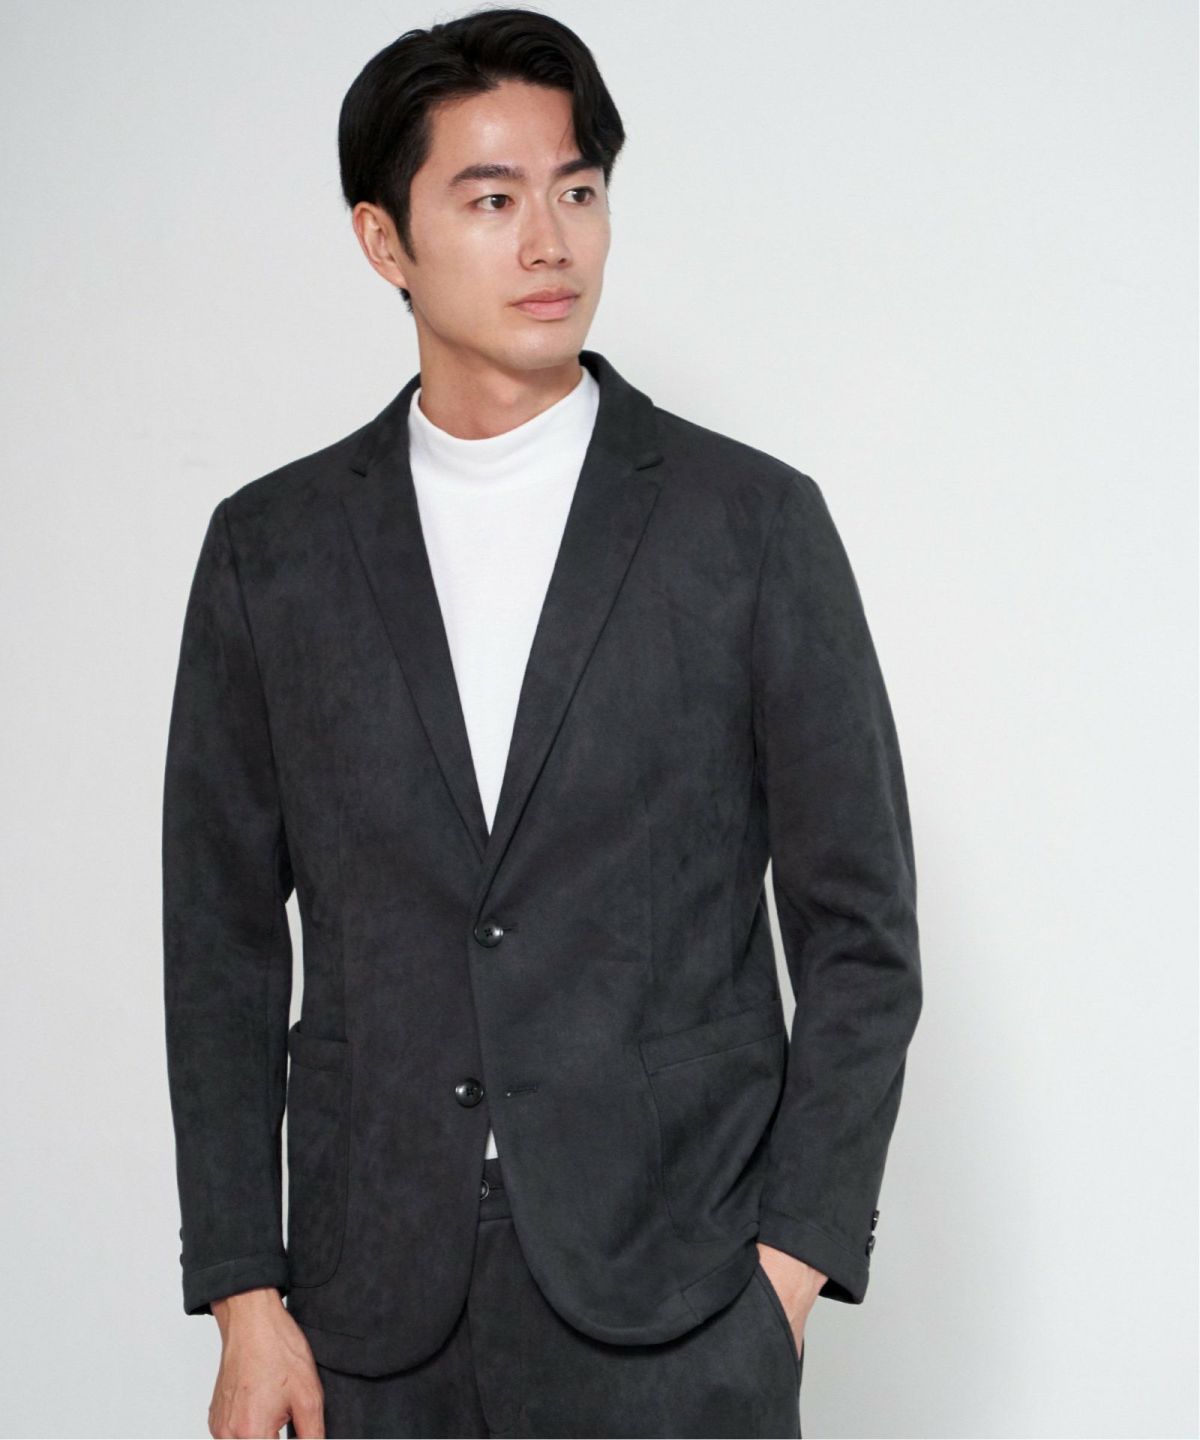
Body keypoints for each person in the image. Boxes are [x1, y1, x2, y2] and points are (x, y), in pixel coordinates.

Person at [162, 8, 922, 1438]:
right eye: (492, 199)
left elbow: (861, 931)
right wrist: (244, 1297)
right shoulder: (274, 552)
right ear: (384, 241)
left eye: (577, 190)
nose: (550, 243)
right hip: (370, 1308)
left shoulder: (750, 526)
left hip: (680, 1297)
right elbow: (219, 944)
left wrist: (789, 1272)